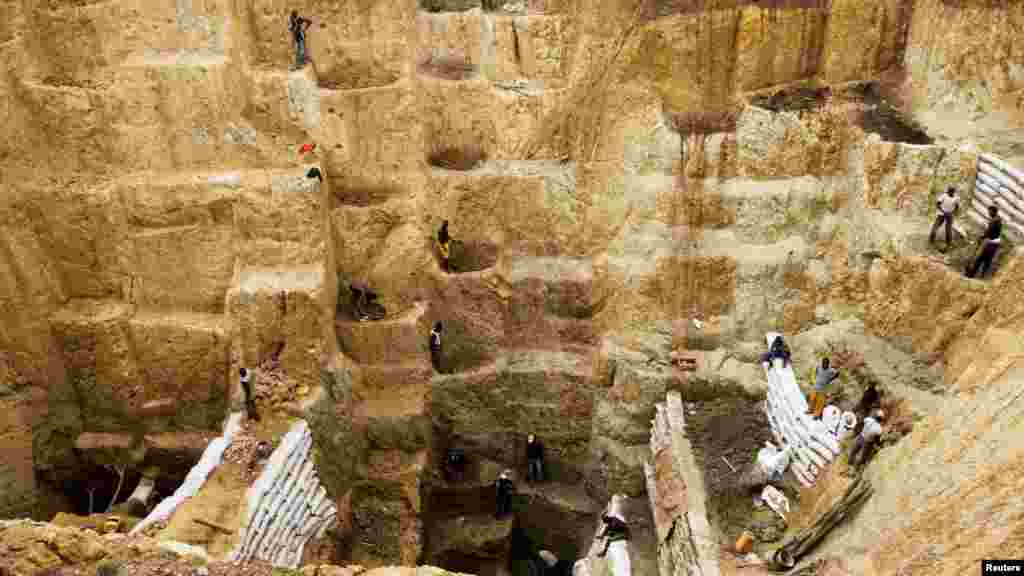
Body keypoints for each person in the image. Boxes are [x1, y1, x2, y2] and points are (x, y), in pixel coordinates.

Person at [967, 205, 1003, 279]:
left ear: (993, 211)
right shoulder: (997, 219)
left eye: (989, 211)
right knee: (987, 260)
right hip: (995, 243)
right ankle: (982, 276)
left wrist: (982, 237)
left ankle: (971, 274)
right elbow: (990, 231)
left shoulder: (994, 220)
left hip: (991, 243)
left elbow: (989, 231)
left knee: (980, 259)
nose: (988, 213)